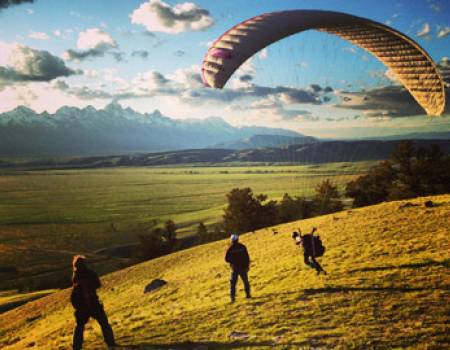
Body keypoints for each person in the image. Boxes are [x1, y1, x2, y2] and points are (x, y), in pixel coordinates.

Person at [71, 255, 116, 350]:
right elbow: (98, 284)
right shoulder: (90, 273)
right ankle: (111, 343)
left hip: (81, 307)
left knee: (79, 327)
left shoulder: (75, 276)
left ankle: (76, 347)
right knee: (104, 323)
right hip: (93, 303)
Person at [225, 234, 251, 303]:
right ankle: (248, 295)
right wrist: (247, 266)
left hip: (235, 269)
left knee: (233, 284)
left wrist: (232, 261)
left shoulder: (230, 248)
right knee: (245, 282)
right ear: (238, 239)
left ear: (232, 240)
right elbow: (247, 257)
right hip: (243, 268)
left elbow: (226, 259)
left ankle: (232, 298)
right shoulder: (242, 247)